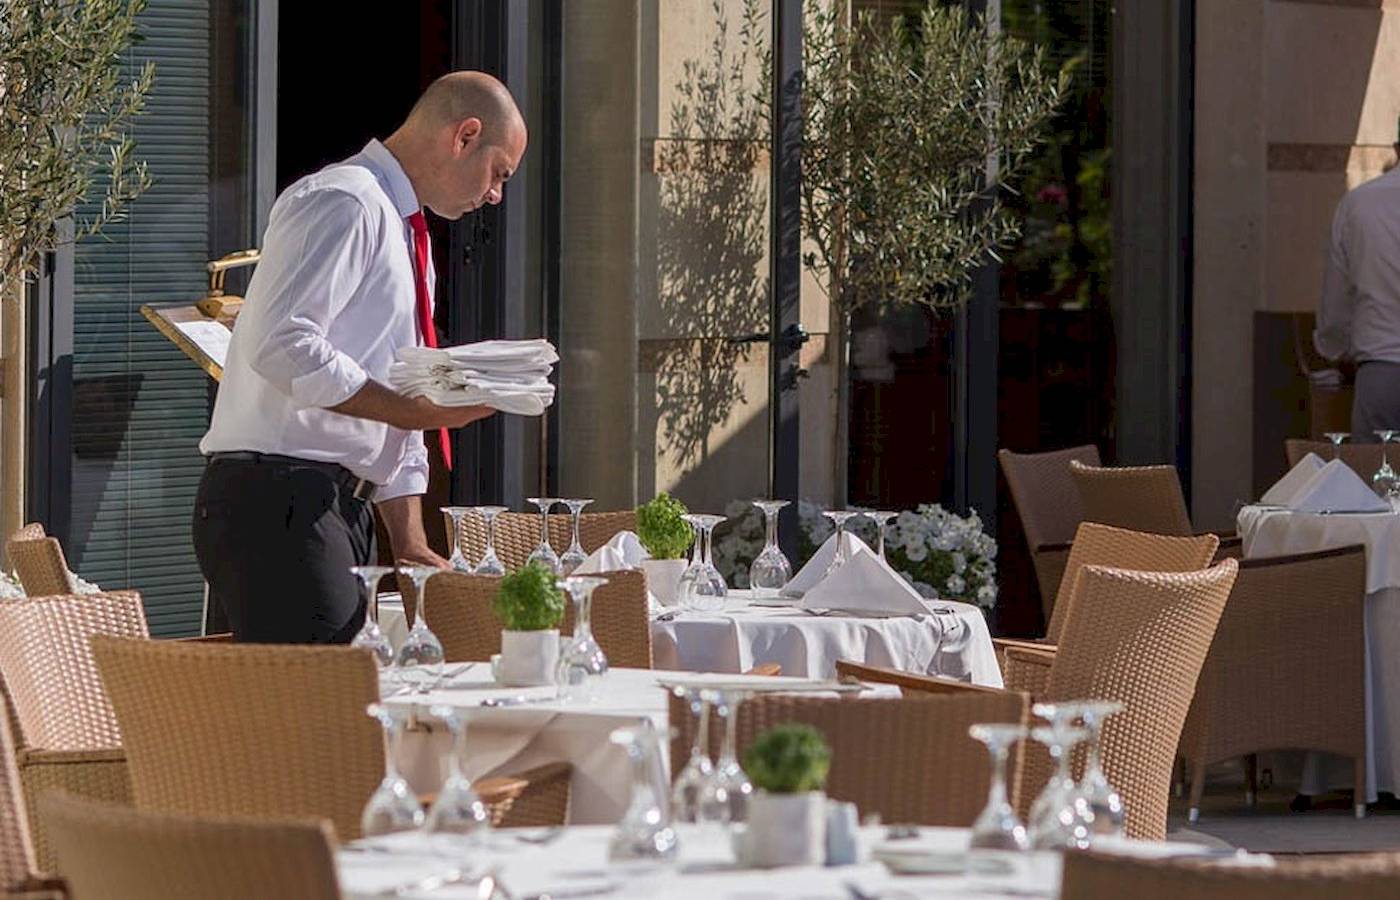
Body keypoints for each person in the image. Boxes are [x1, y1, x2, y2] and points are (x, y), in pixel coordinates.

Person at [193, 72, 528, 643]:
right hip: (281, 501)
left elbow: (397, 388)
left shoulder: (405, 232)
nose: (496, 194)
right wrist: (406, 409)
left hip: (330, 508)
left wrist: (410, 540)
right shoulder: (344, 200)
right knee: (332, 698)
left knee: (339, 692)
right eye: (500, 172)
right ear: (465, 135)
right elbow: (283, 342)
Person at [1314, 128, 1400, 438]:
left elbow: (1335, 303)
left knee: (1376, 466)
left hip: (1381, 375)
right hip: (1378, 366)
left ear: (1397, 147)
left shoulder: (1359, 205)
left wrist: (1336, 350)